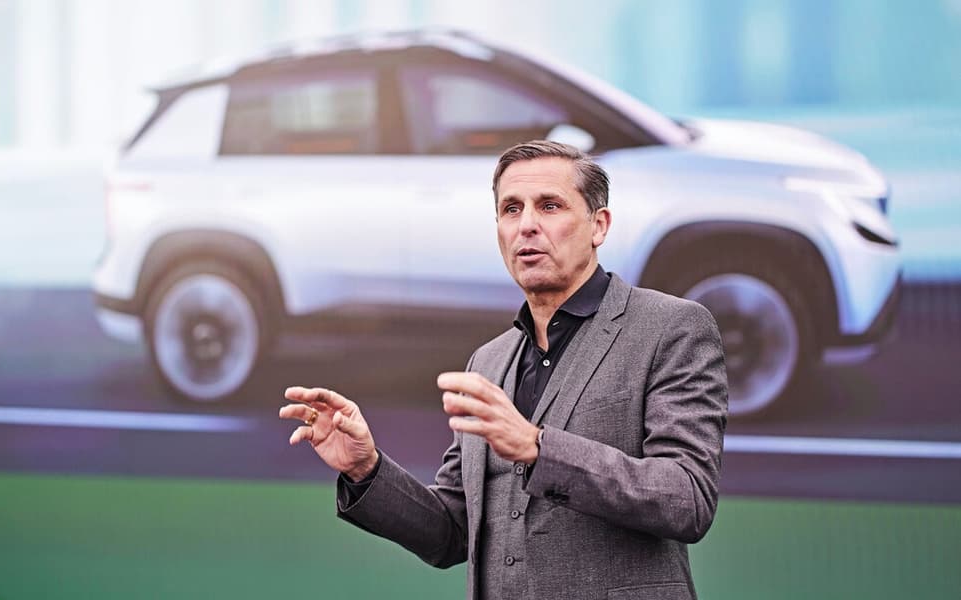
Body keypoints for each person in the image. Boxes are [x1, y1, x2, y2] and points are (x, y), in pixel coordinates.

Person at [280, 140, 728, 600]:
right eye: (511, 209)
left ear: (599, 225)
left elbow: (687, 499)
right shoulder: (489, 362)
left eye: (550, 206)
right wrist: (367, 468)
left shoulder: (671, 328)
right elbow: (452, 531)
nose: (527, 225)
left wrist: (539, 448)